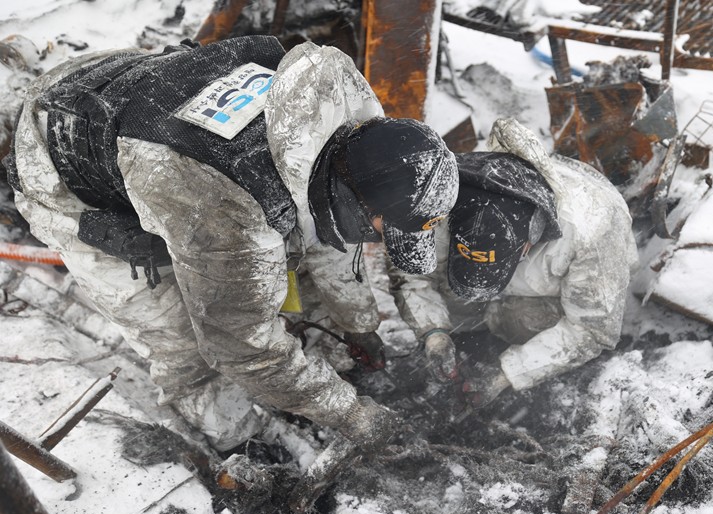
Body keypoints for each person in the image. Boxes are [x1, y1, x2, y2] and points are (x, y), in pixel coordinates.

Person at [5, 35, 458, 452]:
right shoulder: (229, 207)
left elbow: (328, 245)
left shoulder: (337, 134)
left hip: (132, 87)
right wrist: (350, 414)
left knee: (275, 264)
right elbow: (240, 344)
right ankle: (237, 439)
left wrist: (358, 325)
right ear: (357, 198)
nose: (376, 240)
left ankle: (305, 372)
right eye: (381, 229)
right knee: (182, 339)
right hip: (63, 150)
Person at [389, 118, 638, 408]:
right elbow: (411, 271)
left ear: (528, 243)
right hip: (497, 270)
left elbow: (593, 329)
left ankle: (504, 328)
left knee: (522, 319)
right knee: (452, 292)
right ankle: (471, 326)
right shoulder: (449, 199)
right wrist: (433, 333)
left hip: (554, 294)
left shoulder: (593, 230)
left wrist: (508, 372)